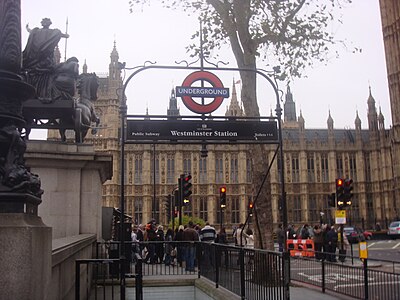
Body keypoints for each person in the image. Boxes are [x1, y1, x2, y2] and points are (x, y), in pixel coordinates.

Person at [22, 18, 69, 99]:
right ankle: (44, 93)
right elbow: (63, 35)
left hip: (35, 61)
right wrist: (65, 35)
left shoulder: (36, 31)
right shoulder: (53, 32)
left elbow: (31, 31)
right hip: (46, 60)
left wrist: (28, 29)